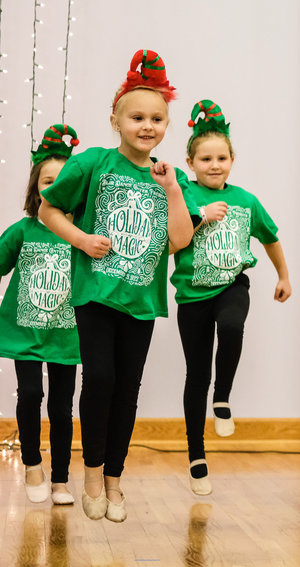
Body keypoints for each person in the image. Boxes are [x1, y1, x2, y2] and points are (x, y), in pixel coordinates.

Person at [39, 49, 196, 523]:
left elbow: (179, 241)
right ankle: (91, 471)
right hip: (95, 294)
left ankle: (114, 479)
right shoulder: (92, 163)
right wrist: (83, 239)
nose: (147, 126)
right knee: (101, 378)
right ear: (116, 119)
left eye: (157, 119)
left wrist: (171, 191)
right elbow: (49, 210)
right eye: (137, 117)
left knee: (128, 388)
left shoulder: (170, 177)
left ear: (167, 125)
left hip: (141, 301)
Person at [171, 100, 292, 496]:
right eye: (205, 158)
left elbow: (270, 237)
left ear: (232, 160)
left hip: (231, 285)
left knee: (233, 327)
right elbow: (169, 244)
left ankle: (222, 397)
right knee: (195, 374)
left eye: (221, 157)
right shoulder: (183, 195)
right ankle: (196, 455)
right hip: (191, 296)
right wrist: (199, 214)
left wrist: (283, 275)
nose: (214, 165)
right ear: (190, 162)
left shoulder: (246, 200)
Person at [0, 125, 81, 505]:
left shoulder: (82, 234)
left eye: (64, 181)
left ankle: (62, 480)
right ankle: (32, 463)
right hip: (25, 333)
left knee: (62, 407)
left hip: (68, 335)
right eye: (48, 180)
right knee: (30, 392)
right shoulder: (23, 231)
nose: (56, 187)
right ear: (36, 188)